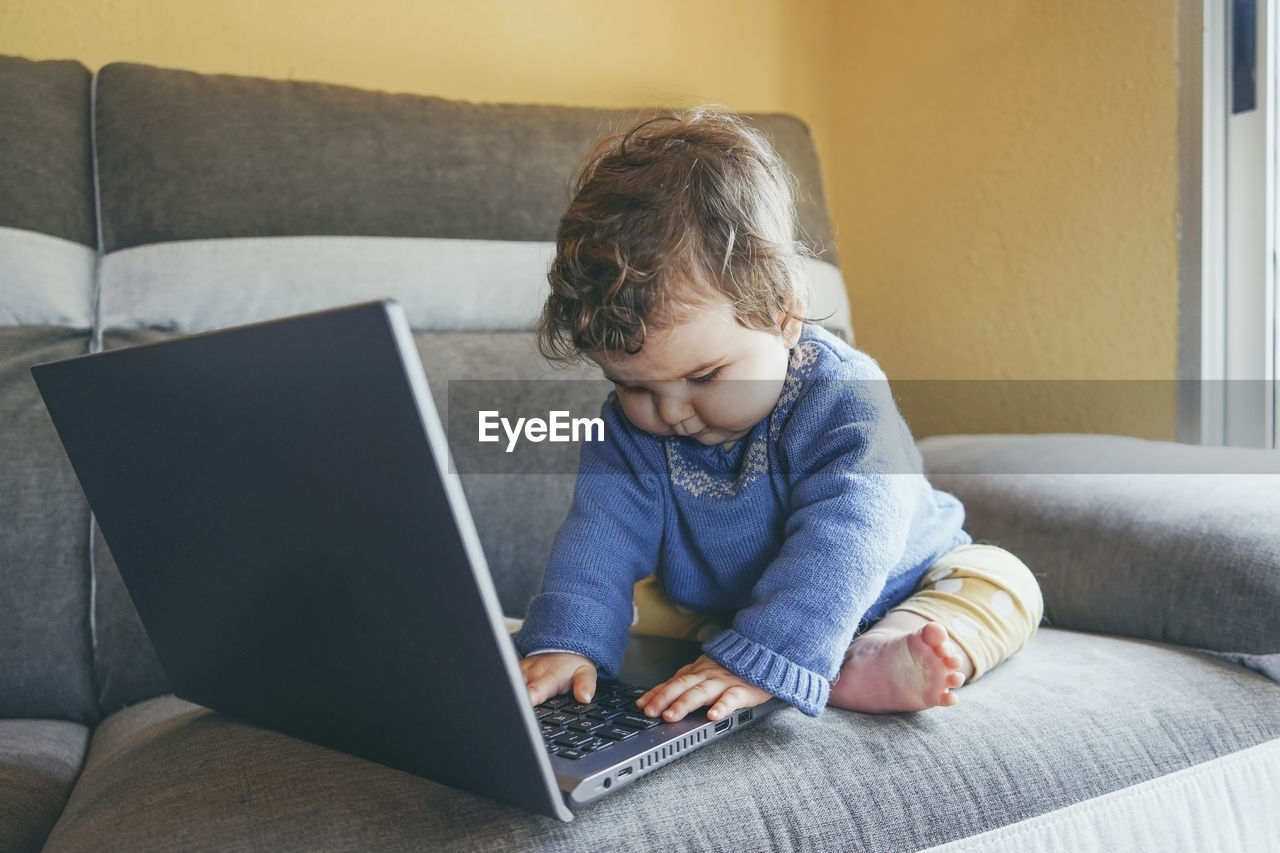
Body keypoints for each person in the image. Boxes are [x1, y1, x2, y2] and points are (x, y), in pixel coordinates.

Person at [514, 108, 1042, 723]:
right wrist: (565, 642)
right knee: (642, 612)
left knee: (1004, 581)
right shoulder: (630, 428)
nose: (671, 411)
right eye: (632, 386)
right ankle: (796, 652)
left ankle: (874, 655)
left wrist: (760, 654)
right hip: (731, 607)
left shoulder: (843, 396)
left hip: (903, 583)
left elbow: (850, 532)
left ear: (785, 316)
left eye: (704, 376)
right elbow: (597, 537)